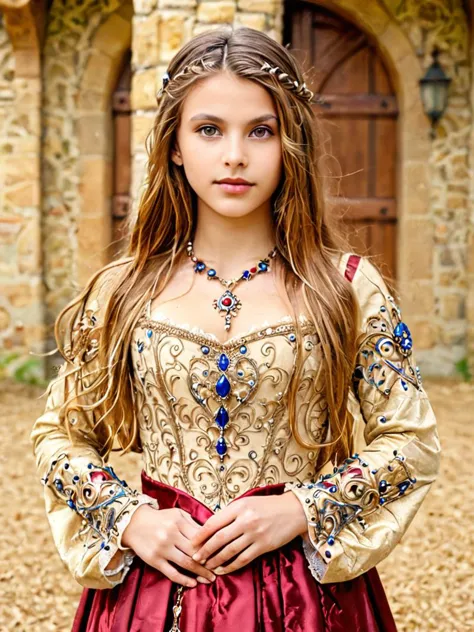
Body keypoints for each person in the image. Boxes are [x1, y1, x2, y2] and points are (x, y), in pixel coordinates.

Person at [31, 25, 441, 632]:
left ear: (289, 142)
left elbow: (411, 441)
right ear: (174, 144)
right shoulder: (124, 290)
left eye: (260, 131)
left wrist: (304, 508)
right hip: (155, 591)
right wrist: (129, 519)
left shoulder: (347, 287)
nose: (234, 156)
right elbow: (59, 437)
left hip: (305, 596)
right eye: (208, 129)